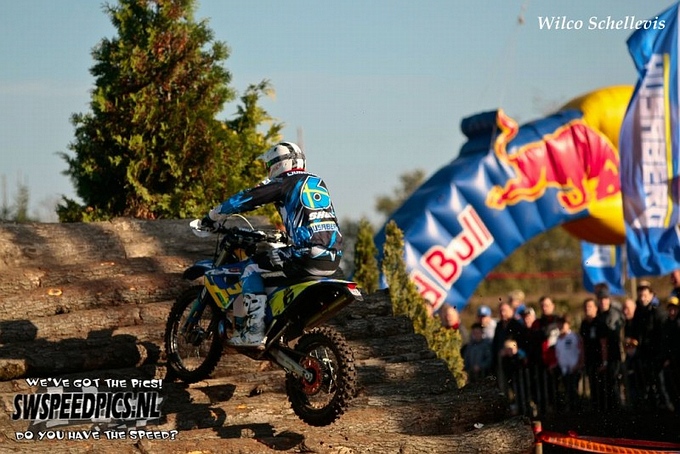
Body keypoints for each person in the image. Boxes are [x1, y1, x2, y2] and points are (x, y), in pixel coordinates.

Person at [202, 142, 343, 347]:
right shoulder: (316, 182)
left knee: (251, 268)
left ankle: (253, 332)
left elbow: (248, 199)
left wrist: (213, 215)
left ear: (278, 164)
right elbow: (312, 220)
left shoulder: (285, 182)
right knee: (275, 264)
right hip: (333, 256)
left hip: (306, 254)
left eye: (269, 164)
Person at [633, 280, 666, 409]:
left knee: (660, 384)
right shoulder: (639, 311)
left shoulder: (658, 311)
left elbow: (662, 334)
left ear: (651, 294)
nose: (643, 298)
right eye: (640, 295)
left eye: (645, 295)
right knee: (647, 385)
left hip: (657, 354)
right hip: (644, 354)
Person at [595, 284, 625, 410]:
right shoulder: (600, 316)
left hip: (615, 354)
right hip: (605, 356)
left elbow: (606, 339)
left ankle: (619, 408)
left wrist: (606, 360)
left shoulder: (613, 315)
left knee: (615, 383)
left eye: (605, 299)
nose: (603, 302)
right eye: (600, 299)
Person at [579, 297, 607, 411]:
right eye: (585, 307)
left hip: (599, 360)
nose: (587, 309)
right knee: (592, 386)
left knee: (602, 387)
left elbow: (603, 343)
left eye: (590, 307)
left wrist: (604, 361)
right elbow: (582, 343)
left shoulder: (600, 323)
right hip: (589, 360)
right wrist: (582, 360)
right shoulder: (584, 324)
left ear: (596, 308)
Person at [554, 315, 583, 412]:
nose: (561, 326)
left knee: (574, 391)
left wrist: (579, 364)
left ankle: (577, 411)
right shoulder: (558, 339)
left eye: (563, 324)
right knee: (566, 391)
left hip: (574, 369)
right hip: (564, 370)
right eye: (559, 324)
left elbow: (581, 351)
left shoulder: (574, 336)